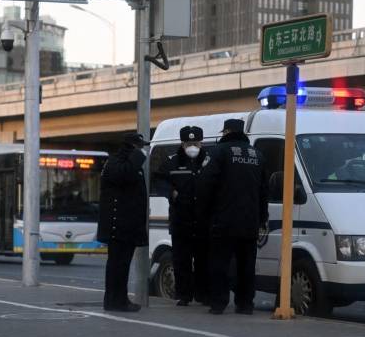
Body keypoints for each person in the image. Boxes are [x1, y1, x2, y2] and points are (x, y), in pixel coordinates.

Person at [197, 118, 268, 315]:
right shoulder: (257, 155)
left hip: (223, 221)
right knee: (247, 265)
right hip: (249, 222)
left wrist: (204, 214)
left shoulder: (218, 152)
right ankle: (245, 304)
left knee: (219, 263)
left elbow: (205, 184)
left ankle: (219, 302)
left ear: (226, 131)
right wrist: (262, 218)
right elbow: (264, 191)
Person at [157, 125, 209, 306]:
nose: (192, 147)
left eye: (195, 143)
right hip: (181, 220)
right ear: (182, 144)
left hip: (203, 220)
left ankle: (203, 294)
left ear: (201, 143)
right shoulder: (172, 162)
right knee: (181, 260)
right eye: (189, 143)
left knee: (203, 260)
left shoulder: (209, 161)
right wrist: (171, 192)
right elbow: (159, 179)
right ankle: (184, 295)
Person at [97, 131, 149, 312]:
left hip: (127, 224)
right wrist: (137, 157)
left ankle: (118, 299)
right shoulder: (117, 162)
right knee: (117, 265)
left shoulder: (127, 162)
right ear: (133, 146)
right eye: (140, 147)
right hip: (118, 225)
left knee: (122, 265)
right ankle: (115, 301)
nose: (143, 151)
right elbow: (123, 176)